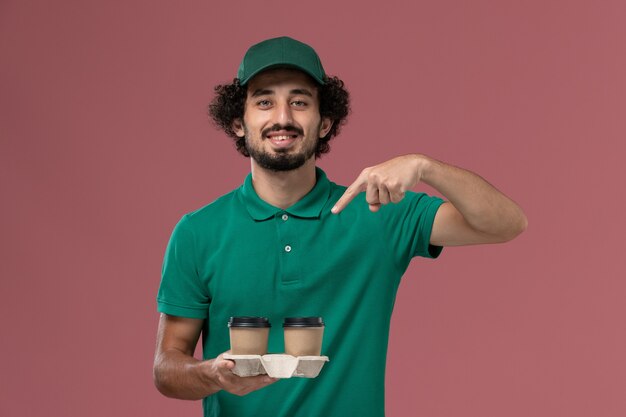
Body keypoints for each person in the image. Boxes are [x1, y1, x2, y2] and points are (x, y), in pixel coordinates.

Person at [153, 36, 527, 417]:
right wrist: (211, 374)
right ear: (238, 122)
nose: (282, 117)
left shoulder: (377, 210)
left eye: (299, 102)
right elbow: (167, 369)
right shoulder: (197, 232)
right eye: (264, 101)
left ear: (325, 122)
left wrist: (424, 166)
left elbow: (506, 223)